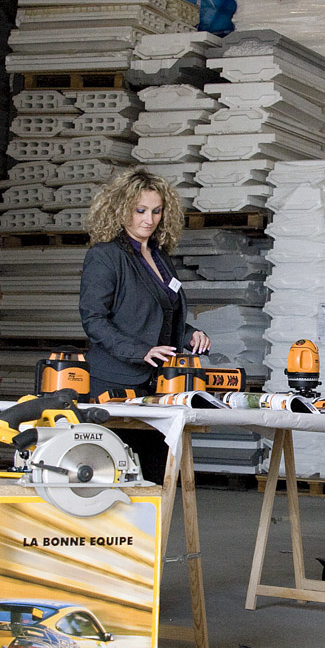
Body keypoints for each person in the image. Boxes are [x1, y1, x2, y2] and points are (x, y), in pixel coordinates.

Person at [79, 168, 211, 478]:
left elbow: (162, 316)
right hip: (115, 383)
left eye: (156, 211)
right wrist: (140, 351)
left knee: (156, 474)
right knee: (117, 476)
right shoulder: (105, 256)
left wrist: (191, 334)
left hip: (159, 384)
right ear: (120, 209)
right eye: (140, 211)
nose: (148, 220)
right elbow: (94, 320)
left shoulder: (159, 256)